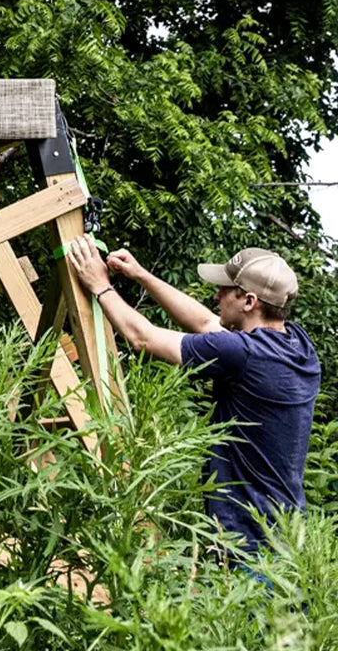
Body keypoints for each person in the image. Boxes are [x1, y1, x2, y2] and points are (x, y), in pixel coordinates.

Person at [65, 237, 320, 557]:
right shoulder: (299, 347)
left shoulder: (243, 354)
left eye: (225, 290)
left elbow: (143, 339)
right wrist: (141, 275)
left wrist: (100, 286)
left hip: (246, 539)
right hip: (287, 534)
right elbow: (204, 323)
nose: (217, 295)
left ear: (249, 301)